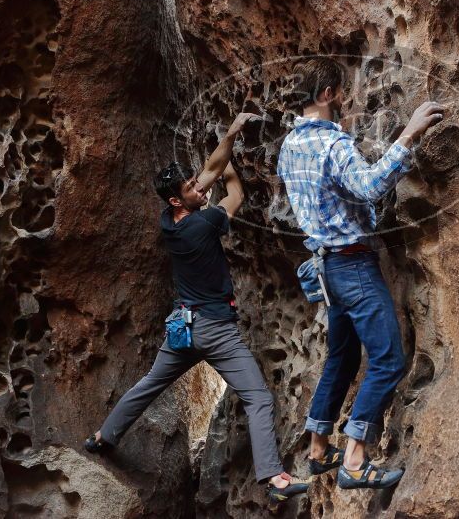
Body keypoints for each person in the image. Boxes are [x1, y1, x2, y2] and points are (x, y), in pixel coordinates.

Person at [85, 112, 308, 503]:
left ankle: (104, 436)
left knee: (149, 384)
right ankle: (273, 477)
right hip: (216, 330)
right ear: (179, 200)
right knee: (257, 397)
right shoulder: (203, 225)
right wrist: (232, 165)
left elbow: (208, 170)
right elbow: (234, 193)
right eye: (191, 187)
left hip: (182, 330)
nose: (198, 186)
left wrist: (231, 136)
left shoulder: (170, 221)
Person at [277, 57, 445, 489]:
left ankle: (318, 446)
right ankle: (354, 459)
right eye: (345, 93)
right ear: (329, 94)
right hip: (352, 265)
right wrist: (409, 134)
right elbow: (369, 186)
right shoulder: (333, 145)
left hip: (326, 269)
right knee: (388, 359)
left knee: (344, 355)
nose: (349, 103)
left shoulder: (288, 147)